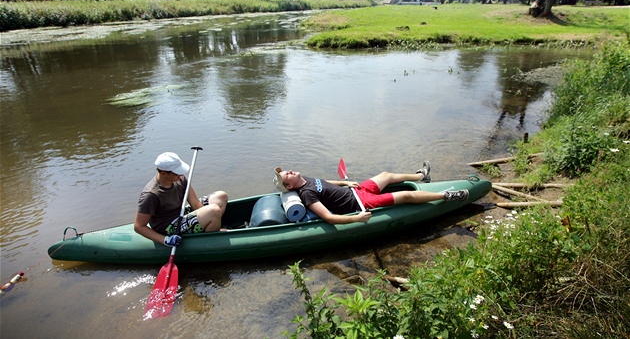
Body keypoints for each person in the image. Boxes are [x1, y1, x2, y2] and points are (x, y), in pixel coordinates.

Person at [272, 161, 469, 225]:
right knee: (405, 196)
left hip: (357, 190)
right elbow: (328, 217)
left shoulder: (305, 179)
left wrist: (343, 182)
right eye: (285, 176)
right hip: (360, 202)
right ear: (289, 187)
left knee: (385, 175)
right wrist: (356, 219)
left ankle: (421, 177)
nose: (288, 172)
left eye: (286, 171)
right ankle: (447, 196)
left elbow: (324, 183)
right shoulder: (306, 194)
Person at [134, 152, 228, 247]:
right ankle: (210, 238)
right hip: (169, 226)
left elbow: (195, 204)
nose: (180, 174)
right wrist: (165, 240)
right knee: (214, 210)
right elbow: (139, 226)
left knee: (221, 196)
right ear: (163, 173)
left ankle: (211, 227)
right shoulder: (151, 195)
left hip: (181, 213)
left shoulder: (180, 178)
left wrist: (205, 218)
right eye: (176, 173)